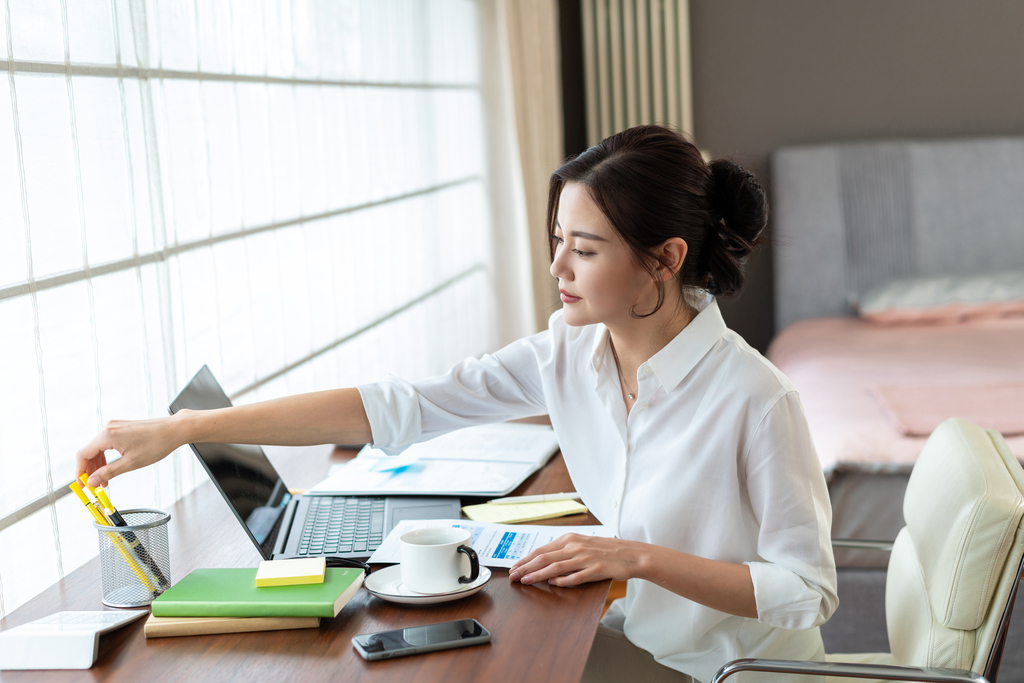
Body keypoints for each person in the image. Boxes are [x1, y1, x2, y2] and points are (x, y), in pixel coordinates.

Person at [77, 125, 836, 683]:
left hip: (728, 671)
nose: (556, 267)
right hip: (635, 640)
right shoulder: (569, 353)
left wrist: (633, 556)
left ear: (665, 259)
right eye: (556, 239)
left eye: (586, 248)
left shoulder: (756, 399)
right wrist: (186, 429)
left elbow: (808, 592)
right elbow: (396, 408)